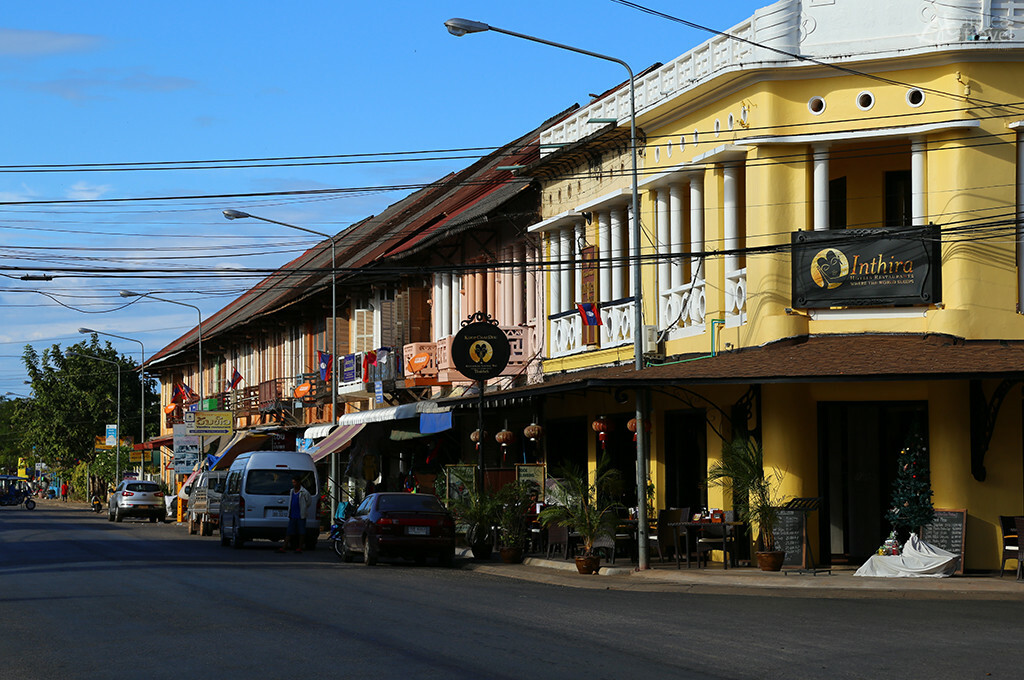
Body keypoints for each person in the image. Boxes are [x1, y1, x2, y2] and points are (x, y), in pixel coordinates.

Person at [278, 476, 311, 554]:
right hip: (292, 515)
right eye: (293, 482)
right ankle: (284, 547)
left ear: (299, 482)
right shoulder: (292, 491)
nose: (294, 484)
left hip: (300, 515)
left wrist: (303, 508)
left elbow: (308, 502)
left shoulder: (304, 492)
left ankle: (299, 548)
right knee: (289, 532)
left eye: (295, 482)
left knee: (301, 532)